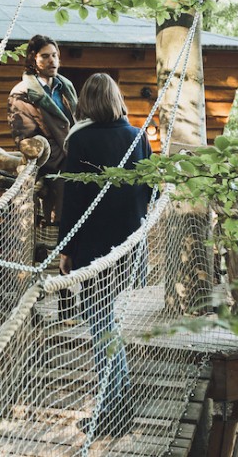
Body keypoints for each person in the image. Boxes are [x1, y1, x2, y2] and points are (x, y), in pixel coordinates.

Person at [57, 73, 152, 438]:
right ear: (116, 98)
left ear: (86, 102)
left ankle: (114, 414)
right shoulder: (138, 136)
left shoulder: (80, 140)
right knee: (107, 324)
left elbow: (73, 200)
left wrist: (66, 249)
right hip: (129, 245)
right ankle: (119, 406)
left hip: (95, 248)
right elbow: (150, 190)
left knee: (100, 324)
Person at [7, 34, 78, 225]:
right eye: (45, 56)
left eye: (54, 55)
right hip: (50, 163)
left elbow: (77, 121)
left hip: (76, 157)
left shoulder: (66, 86)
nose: (52, 60)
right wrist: (66, 158)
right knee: (60, 219)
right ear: (33, 59)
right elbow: (26, 138)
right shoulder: (22, 93)